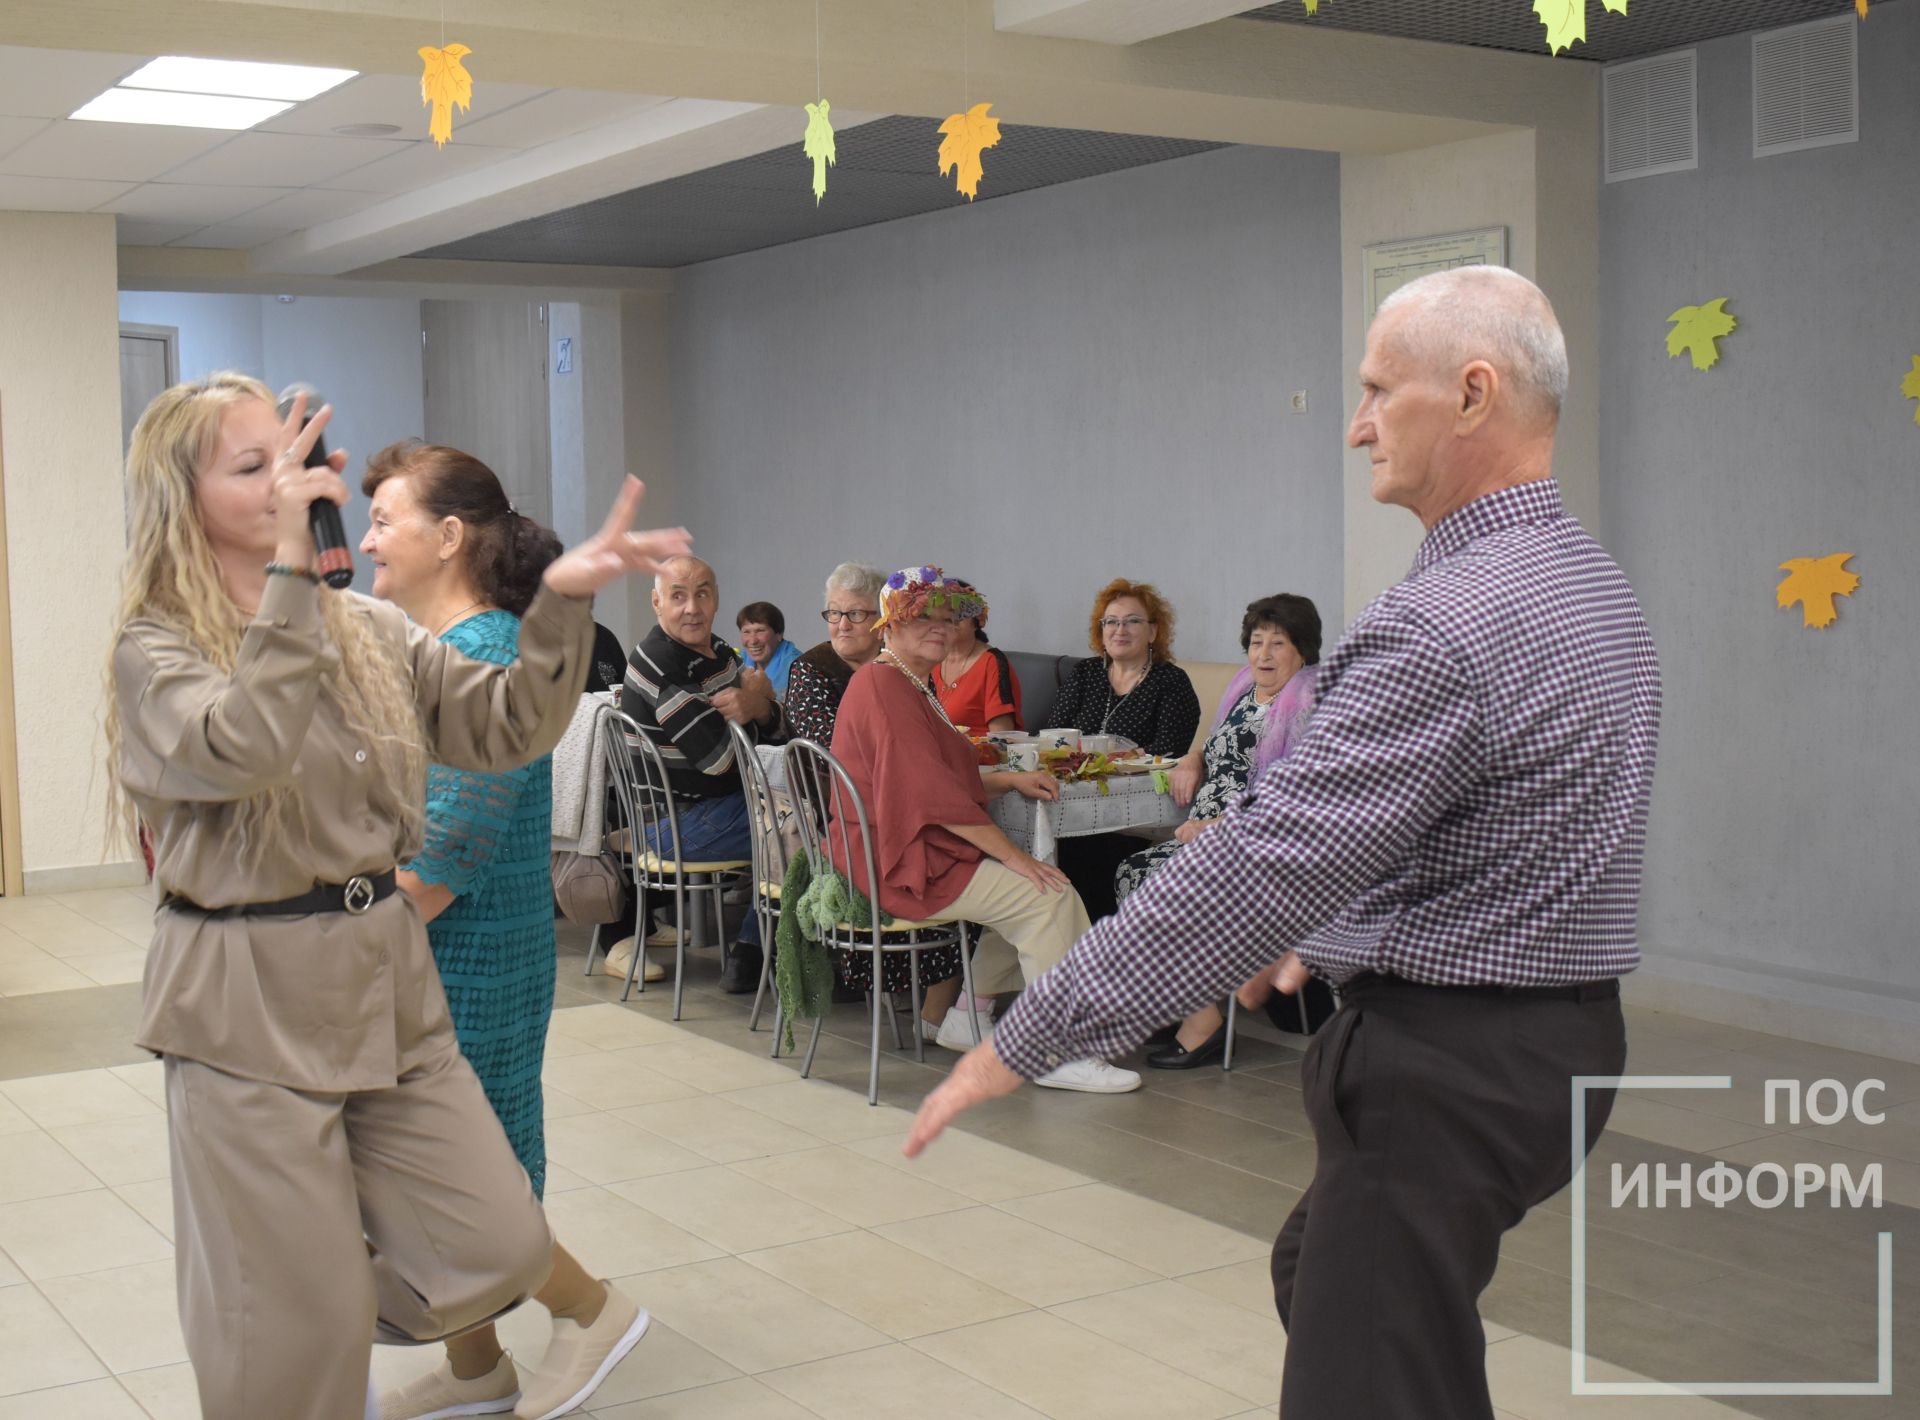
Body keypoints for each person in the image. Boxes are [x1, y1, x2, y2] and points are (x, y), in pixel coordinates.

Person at [906, 266, 1660, 1420]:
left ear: (1471, 394)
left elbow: (1261, 862)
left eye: (1375, 391)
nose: (1356, 424)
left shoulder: (1442, 621)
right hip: (1559, 1042)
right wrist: (1345, 922)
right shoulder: (1592, 585)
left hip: (1451, 1066)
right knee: (1328, 1285)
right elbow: (1509, 811)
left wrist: (1027, 1035)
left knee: (1364, 1378)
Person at [104, 373, 688, 1420]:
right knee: (283, 1333)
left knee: (497, 1239)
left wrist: (563, 595)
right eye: (256, 467)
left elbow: (507, 724)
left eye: (296, 461)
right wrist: (293, 570)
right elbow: (243, 744)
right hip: (248, 1001)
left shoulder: (362, 628)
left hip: (384, 981)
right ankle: (302, 1320)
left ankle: (326, 1284)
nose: (295, 482)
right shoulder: (156, 647)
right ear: (179, 499)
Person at [360, 442, 646, 1420]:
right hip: (441, 956)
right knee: (423, 1174)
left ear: (448, 537)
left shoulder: (483, 655)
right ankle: (479, 1367)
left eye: (386, 520)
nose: (368, 542)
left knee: (462, 1172)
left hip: (467, 960)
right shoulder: (443, 652)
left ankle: (590, 1310)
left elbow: (448, 850)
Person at [829, 567, 1141, 1091]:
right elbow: (932, 795)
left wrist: (1008, 778)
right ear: (889, 624)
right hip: (899, 860)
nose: (940, 627)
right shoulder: (886, 686)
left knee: (1030, 895)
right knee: (1048, 896)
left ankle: (965, 1019)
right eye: (923, 617)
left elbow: (939, 776)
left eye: (948, 619)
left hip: (899, 846)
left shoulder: (903, 681)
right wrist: (1018, 858)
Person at [1115, 593, 1321, 1069]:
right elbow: (1214, 742)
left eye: (1278, 644)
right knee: (1131, 869)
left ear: (1303, 650)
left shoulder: (1310, 699)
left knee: (1154, 883)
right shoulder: (1244, 686)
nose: (1263, 655)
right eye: (1256, 642)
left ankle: (1200, 1021)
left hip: (1258, 846)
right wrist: (1191, 759)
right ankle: (1183, 1005)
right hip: (1204, 836)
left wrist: (1220, 825)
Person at [619, 556, 781, 993]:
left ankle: (756, 948)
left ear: (716, 600)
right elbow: (720, 761)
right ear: (656, 603)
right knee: (805, 824)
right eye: (678, 595)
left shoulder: (718, 652)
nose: (692, 607)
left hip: (718, 808)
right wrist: (754, 703)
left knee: (801, 816)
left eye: (702, 593)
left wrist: (757, 707)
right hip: (672, 824)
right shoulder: (662, 661)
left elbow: (779, 728)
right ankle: (756, 949)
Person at [1048, 579, 1202, 921]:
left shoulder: (1171, 682)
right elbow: (1057, 737)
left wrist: (1099, 760)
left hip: (1135, 811)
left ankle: (1097, 951)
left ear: (1153, 631)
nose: (1120, 629)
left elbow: (1165, 752)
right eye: (1111, 621)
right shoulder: (1085, 674)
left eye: (1133, 621)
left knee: (1088, 853)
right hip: (1075, 805)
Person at [786, 562, 885, 746]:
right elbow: (832, 747)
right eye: (834, 613)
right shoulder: (809, 669)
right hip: (833, 774)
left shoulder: (898, 663)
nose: (843, 625)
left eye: (855, 614)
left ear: (881, 619)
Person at [932, 576, 1022, 732]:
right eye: (944, 615)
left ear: (978, 620)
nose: (951, 620)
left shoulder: (992, 662)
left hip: (979, 754)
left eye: (959, 613)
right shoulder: (931, 659)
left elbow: (1002, 737)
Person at [735, 600, 800, 698]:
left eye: (760, 631)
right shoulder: (737, 661)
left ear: (779, 634)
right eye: (746, 632)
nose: (752, 641)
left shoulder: (798, 667)